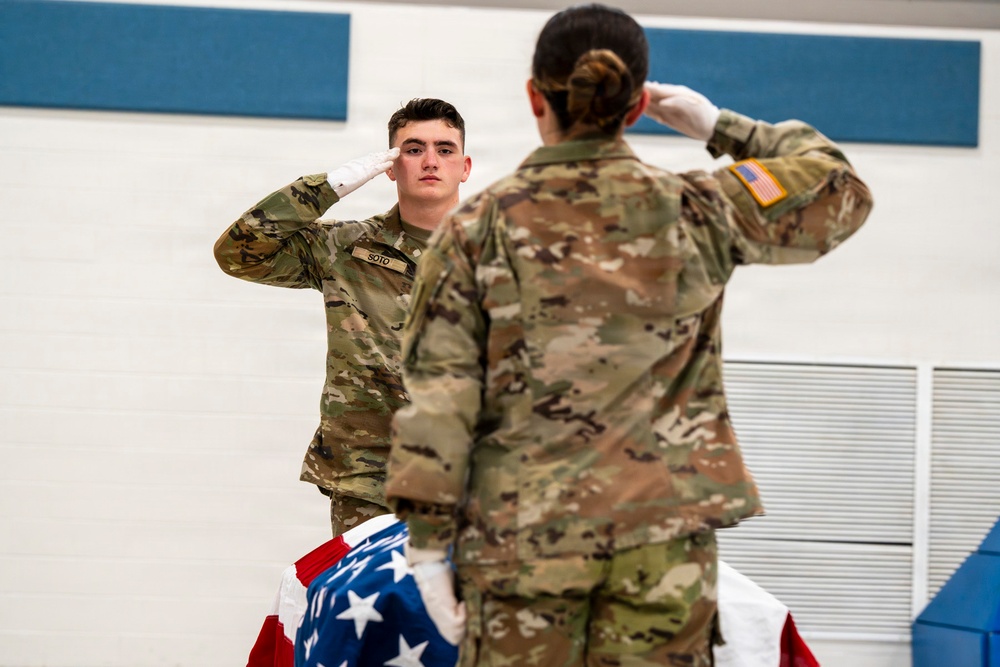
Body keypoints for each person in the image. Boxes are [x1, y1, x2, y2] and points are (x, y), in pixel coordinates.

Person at [384, 4, 873, 666]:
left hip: (521, 547)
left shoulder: (475, 228)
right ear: (637, 104)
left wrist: (426, 543)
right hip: (661, 547)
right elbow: (839, 188)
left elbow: (442, 395)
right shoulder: (696, 209)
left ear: (534, 97)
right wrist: (721, 125)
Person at [214, 98, 472, 537]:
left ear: (465, 166)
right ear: (389, 166)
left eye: (445, 149)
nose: (430, 161)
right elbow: (239, 253)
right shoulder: (344, 248)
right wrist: (327, 186)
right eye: (413, 149)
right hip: (370, 482)